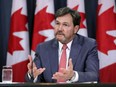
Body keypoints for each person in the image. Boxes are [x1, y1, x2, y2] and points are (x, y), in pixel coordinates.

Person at [25, 7, 99, 83]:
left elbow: (93, 75)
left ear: (75, 29)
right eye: (57, 23)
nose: (59, 29)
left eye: (65, 25)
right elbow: (35, 76)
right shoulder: (43, 48)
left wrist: (73, 76)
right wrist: (32, 75)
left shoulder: (88, 45)